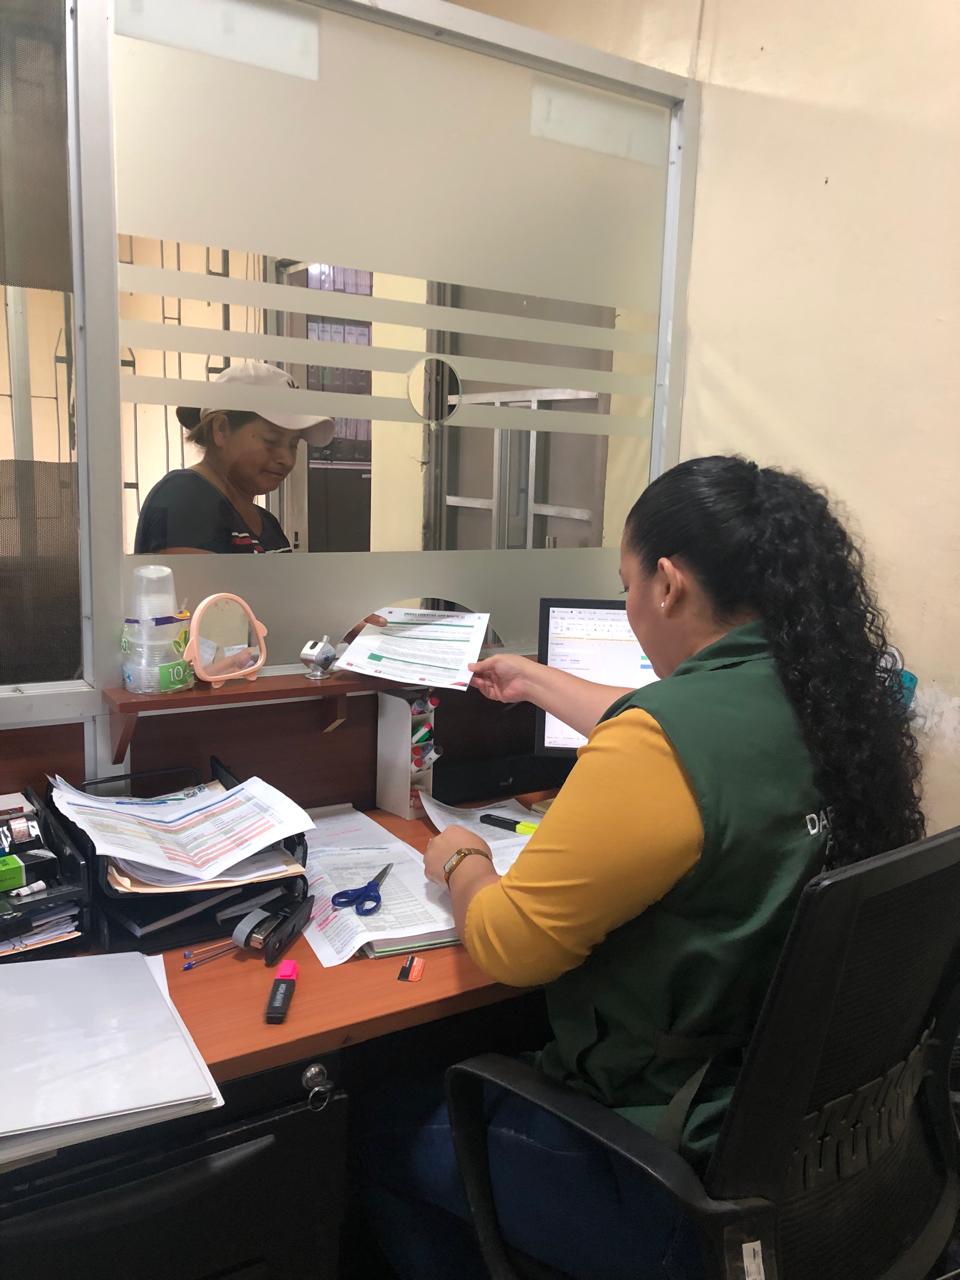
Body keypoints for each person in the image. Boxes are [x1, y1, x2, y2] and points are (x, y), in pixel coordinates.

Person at [355, 455, 924, 1280]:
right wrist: (534, 679)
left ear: (668, 584)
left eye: (626, 586)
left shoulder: (660, 742)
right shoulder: (840, 694)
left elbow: (513, 946)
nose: (628, 606)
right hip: (820, 1155)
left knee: (380, 1129)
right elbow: (671, 725)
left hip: (668, 1164)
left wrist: (463, 860)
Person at [134, 360, 335, 554]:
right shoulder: (185, 496)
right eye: (271, 440)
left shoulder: (268, 523)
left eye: (293, 444)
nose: (287, 459)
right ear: (221, 429)